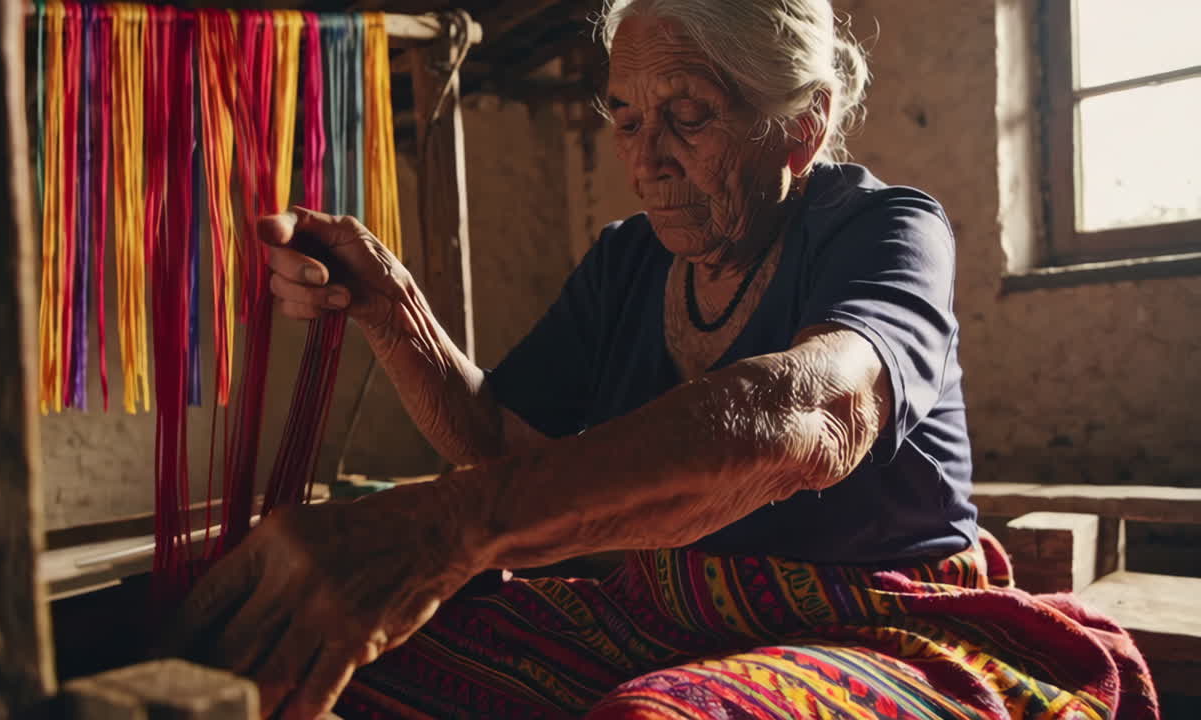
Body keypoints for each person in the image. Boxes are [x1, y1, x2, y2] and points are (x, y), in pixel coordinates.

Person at [173, 1, 1157, 718]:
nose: (646, 159)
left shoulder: (880, 229)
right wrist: (393, 308)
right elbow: (495, 445)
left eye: (684, 115)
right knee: (352, 662)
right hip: (663, 613)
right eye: (626, 119)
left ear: (799, 126)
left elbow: (810, 417)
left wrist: (446, 528)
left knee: (660, 719)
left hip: (874, 619)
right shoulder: (625, 261)